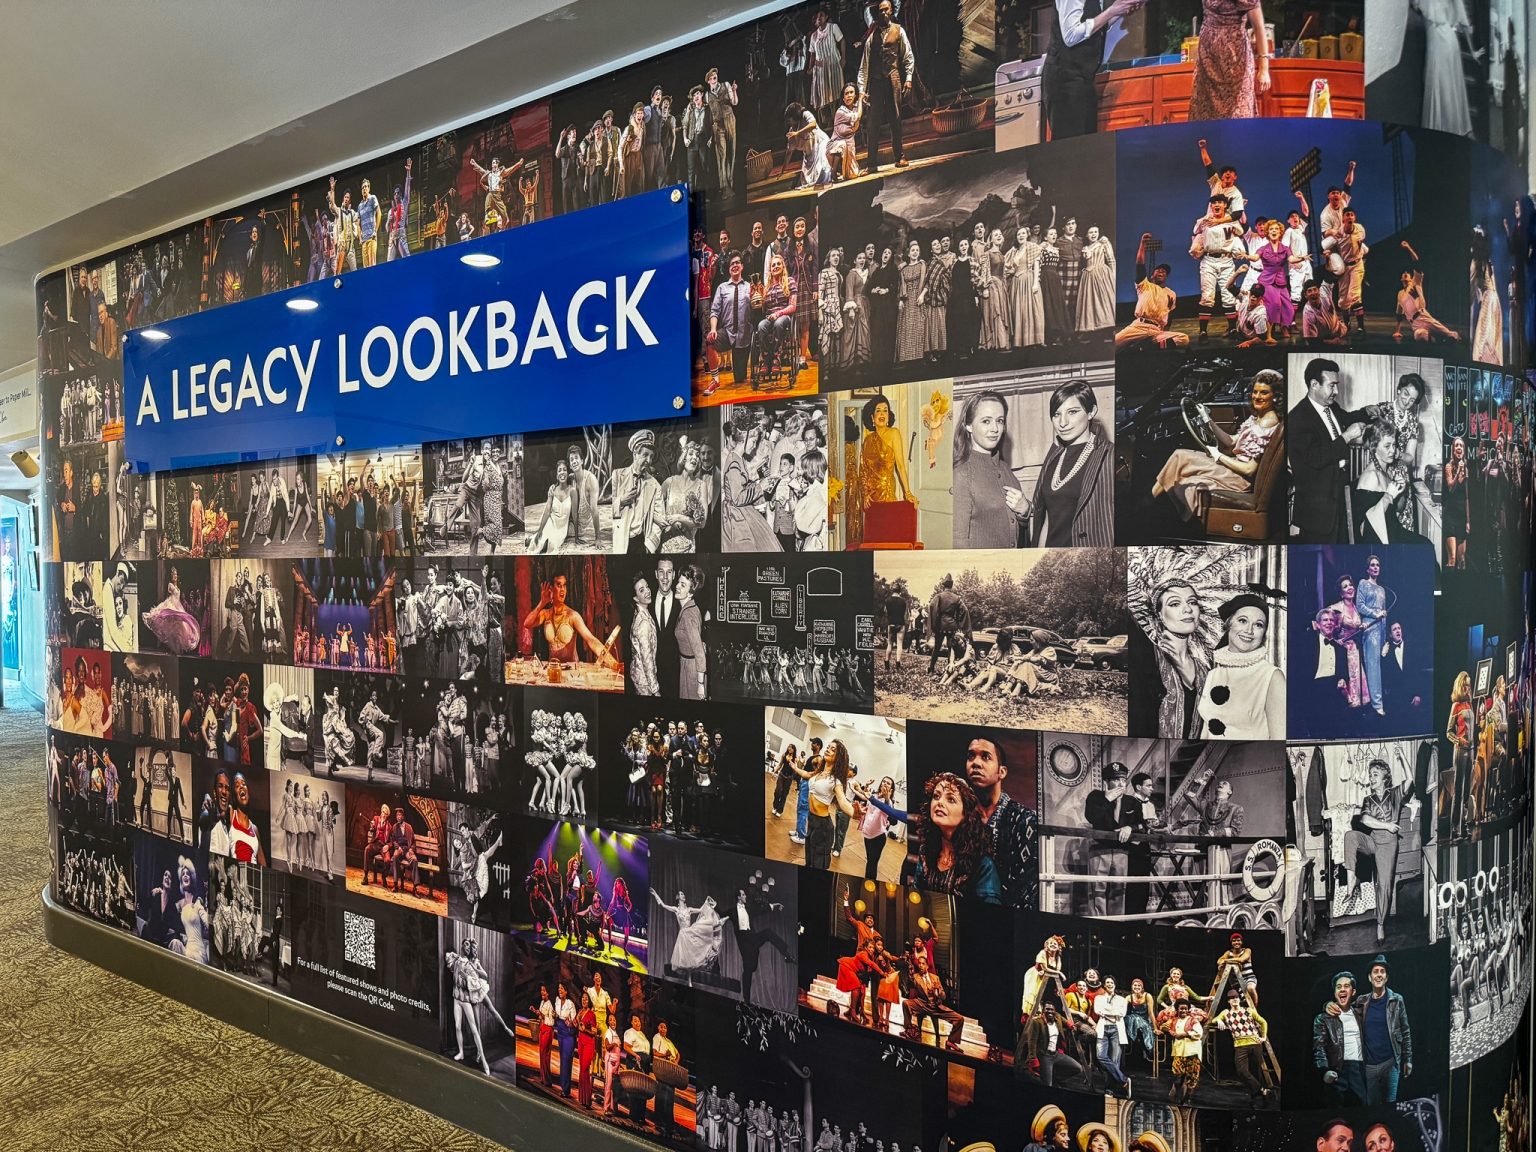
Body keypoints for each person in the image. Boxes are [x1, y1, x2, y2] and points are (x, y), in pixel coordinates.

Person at [1154, 369, 1282, 521]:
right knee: (1180, 457)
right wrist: (1208, 420)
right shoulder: (1258, 417)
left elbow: (1249, 469)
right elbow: (1231, 441)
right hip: (1234, 469)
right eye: (1255, 392)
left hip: (1239, 479)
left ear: (1275, 396)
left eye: (1264, 393)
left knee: (1180, 456)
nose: (1257, 397)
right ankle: (1154, 502)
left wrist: (1219, 456)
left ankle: (1150, 502)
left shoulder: (1267, 422)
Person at [862, 771, 1002, 903]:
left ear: (966, 812)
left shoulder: (983, 864)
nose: (939, 802)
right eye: (936, 796)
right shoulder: (926, 850)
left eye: (951, 799)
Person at [1289, 357, 1368, 542]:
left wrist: (1368, 412)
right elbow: (1315, 458)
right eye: (1332, 385)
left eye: (1337, 385)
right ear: (1314, 385)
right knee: (1319, 557)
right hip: (1318, 511)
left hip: (1338, 498)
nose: (1337, 391)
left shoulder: (1331, 407)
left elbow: (1347, 418)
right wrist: (1346, 437)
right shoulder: (1297, 418)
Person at [1033, 380, 1112, 546]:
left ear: (1091, 412)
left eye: (1072, 412)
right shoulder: (1054, 456)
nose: (1063, 422)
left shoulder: (1108, 455)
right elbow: (1048, 521)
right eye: (1057, 414)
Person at [1197, 593, 1285, 739]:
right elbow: (1206, 731)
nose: (1249, 631)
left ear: (1264, 633)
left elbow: (1279, 738)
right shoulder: (1213, 674)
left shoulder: (1272, 676)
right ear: (1228, 624)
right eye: (1243, 621)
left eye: (1258, 625)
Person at [952, 391, 1029, 548]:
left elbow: (1016, 528)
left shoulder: (1006, 470)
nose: (995, 428)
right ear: (969, 426)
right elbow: (958, 541)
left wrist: (1025, 510)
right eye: (986, 421)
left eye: (1000, 421)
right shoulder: (962, 475)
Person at [1342, 760, 1407, 945]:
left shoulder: (1394, 794)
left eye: (1375, 775)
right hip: (1373, 841)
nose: (1371, 778)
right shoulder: (1368, 800)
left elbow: (1410, 779)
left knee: (1384, 887)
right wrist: (1387, 825)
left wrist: (1402, 756)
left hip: (1388, 845)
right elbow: (1364, 819)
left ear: (1385, 778)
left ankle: (1380, 924)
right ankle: (1351, 882)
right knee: (1350, 836)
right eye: (1370, 775)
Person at [856, 1, 913, 172]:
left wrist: (908, 78)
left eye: (886, 10)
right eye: (880, 10)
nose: (883, 13)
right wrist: (862, 90)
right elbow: (864, 66)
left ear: (891, 11)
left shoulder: (898, 31)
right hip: (875, 82)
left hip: (893, 78)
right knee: (872, 123)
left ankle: (899, 157)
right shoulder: (871, 37)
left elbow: (907, 56)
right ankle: (871, 164)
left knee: (895, 118)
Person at [1189, 0, 1270, 119]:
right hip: (1208, 63)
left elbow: (1258, 27)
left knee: (1239, 116)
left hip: (1235, 64)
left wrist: (1264, 68)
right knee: (1205, 118)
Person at [1354, 955, 1411, 1102]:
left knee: (1390, 1103)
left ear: (1386, 977)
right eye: (1375, 971)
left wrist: (1408, 1059)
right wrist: (1328, 1005)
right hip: (1370, 1066)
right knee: (1373, 1106)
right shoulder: (1361, 1001)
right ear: (1369, 977)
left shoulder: (1396, 1000)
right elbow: (1345, 1010)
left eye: (1382, 971)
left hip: (1390, 1062)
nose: (1379, 975)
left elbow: (1405, 1031)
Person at [1116, 236, 1187, 349]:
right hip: (1139, 326)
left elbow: (1169, 315)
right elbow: (1140, 264)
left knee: (1183, 339)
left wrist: (1165, 333)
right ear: (1152, 276)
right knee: (1111, 347)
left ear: (1166, 277)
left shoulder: (1171, 294)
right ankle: (1141, 347)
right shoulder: (1144, 285)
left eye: (1164, 272)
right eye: (1158, 270)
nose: (1161, 272)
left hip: (1156, 330)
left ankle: (1143, 347)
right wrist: (1143, 243)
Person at [1210, 984, 1272, 1104]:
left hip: (1254, 1043)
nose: (1235, 1000)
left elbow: (1263, 1022)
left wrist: (1263, 1037)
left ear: (1239, 999)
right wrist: (1218, 1020)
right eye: (1232, 998)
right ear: (1228, 1001)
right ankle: (1262, 1090)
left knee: (1256, 1071)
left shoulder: (1248, 1010)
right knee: (1242, 1072)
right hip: (1240, 1045)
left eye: (1236, 997)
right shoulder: (1226, 1013)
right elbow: (1213, 1020)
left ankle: (1257, 1097)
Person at [1314, 972, 1369, 1104]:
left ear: (1353, 992)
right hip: (1337, 1070)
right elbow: (1319, 1047)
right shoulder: (1323, 1018)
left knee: (1362, 1107)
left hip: (1358, 1069)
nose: (1342, 989)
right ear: (1335, 993)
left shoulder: (1361, 1014)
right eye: (1339, 987)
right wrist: (1324, 1071)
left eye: (1346, 986)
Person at [860, 393, 917, 512]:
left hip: (887, 492)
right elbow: (863, 469)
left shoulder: (894, 433)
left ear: (889, 416)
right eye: (878, 410)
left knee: (889, 521)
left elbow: (901, 466)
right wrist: (865, 494)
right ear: (872, 417)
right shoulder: (868, 440)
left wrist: (907, 493)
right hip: (870, 498)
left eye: (885, 410)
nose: (882, 413)